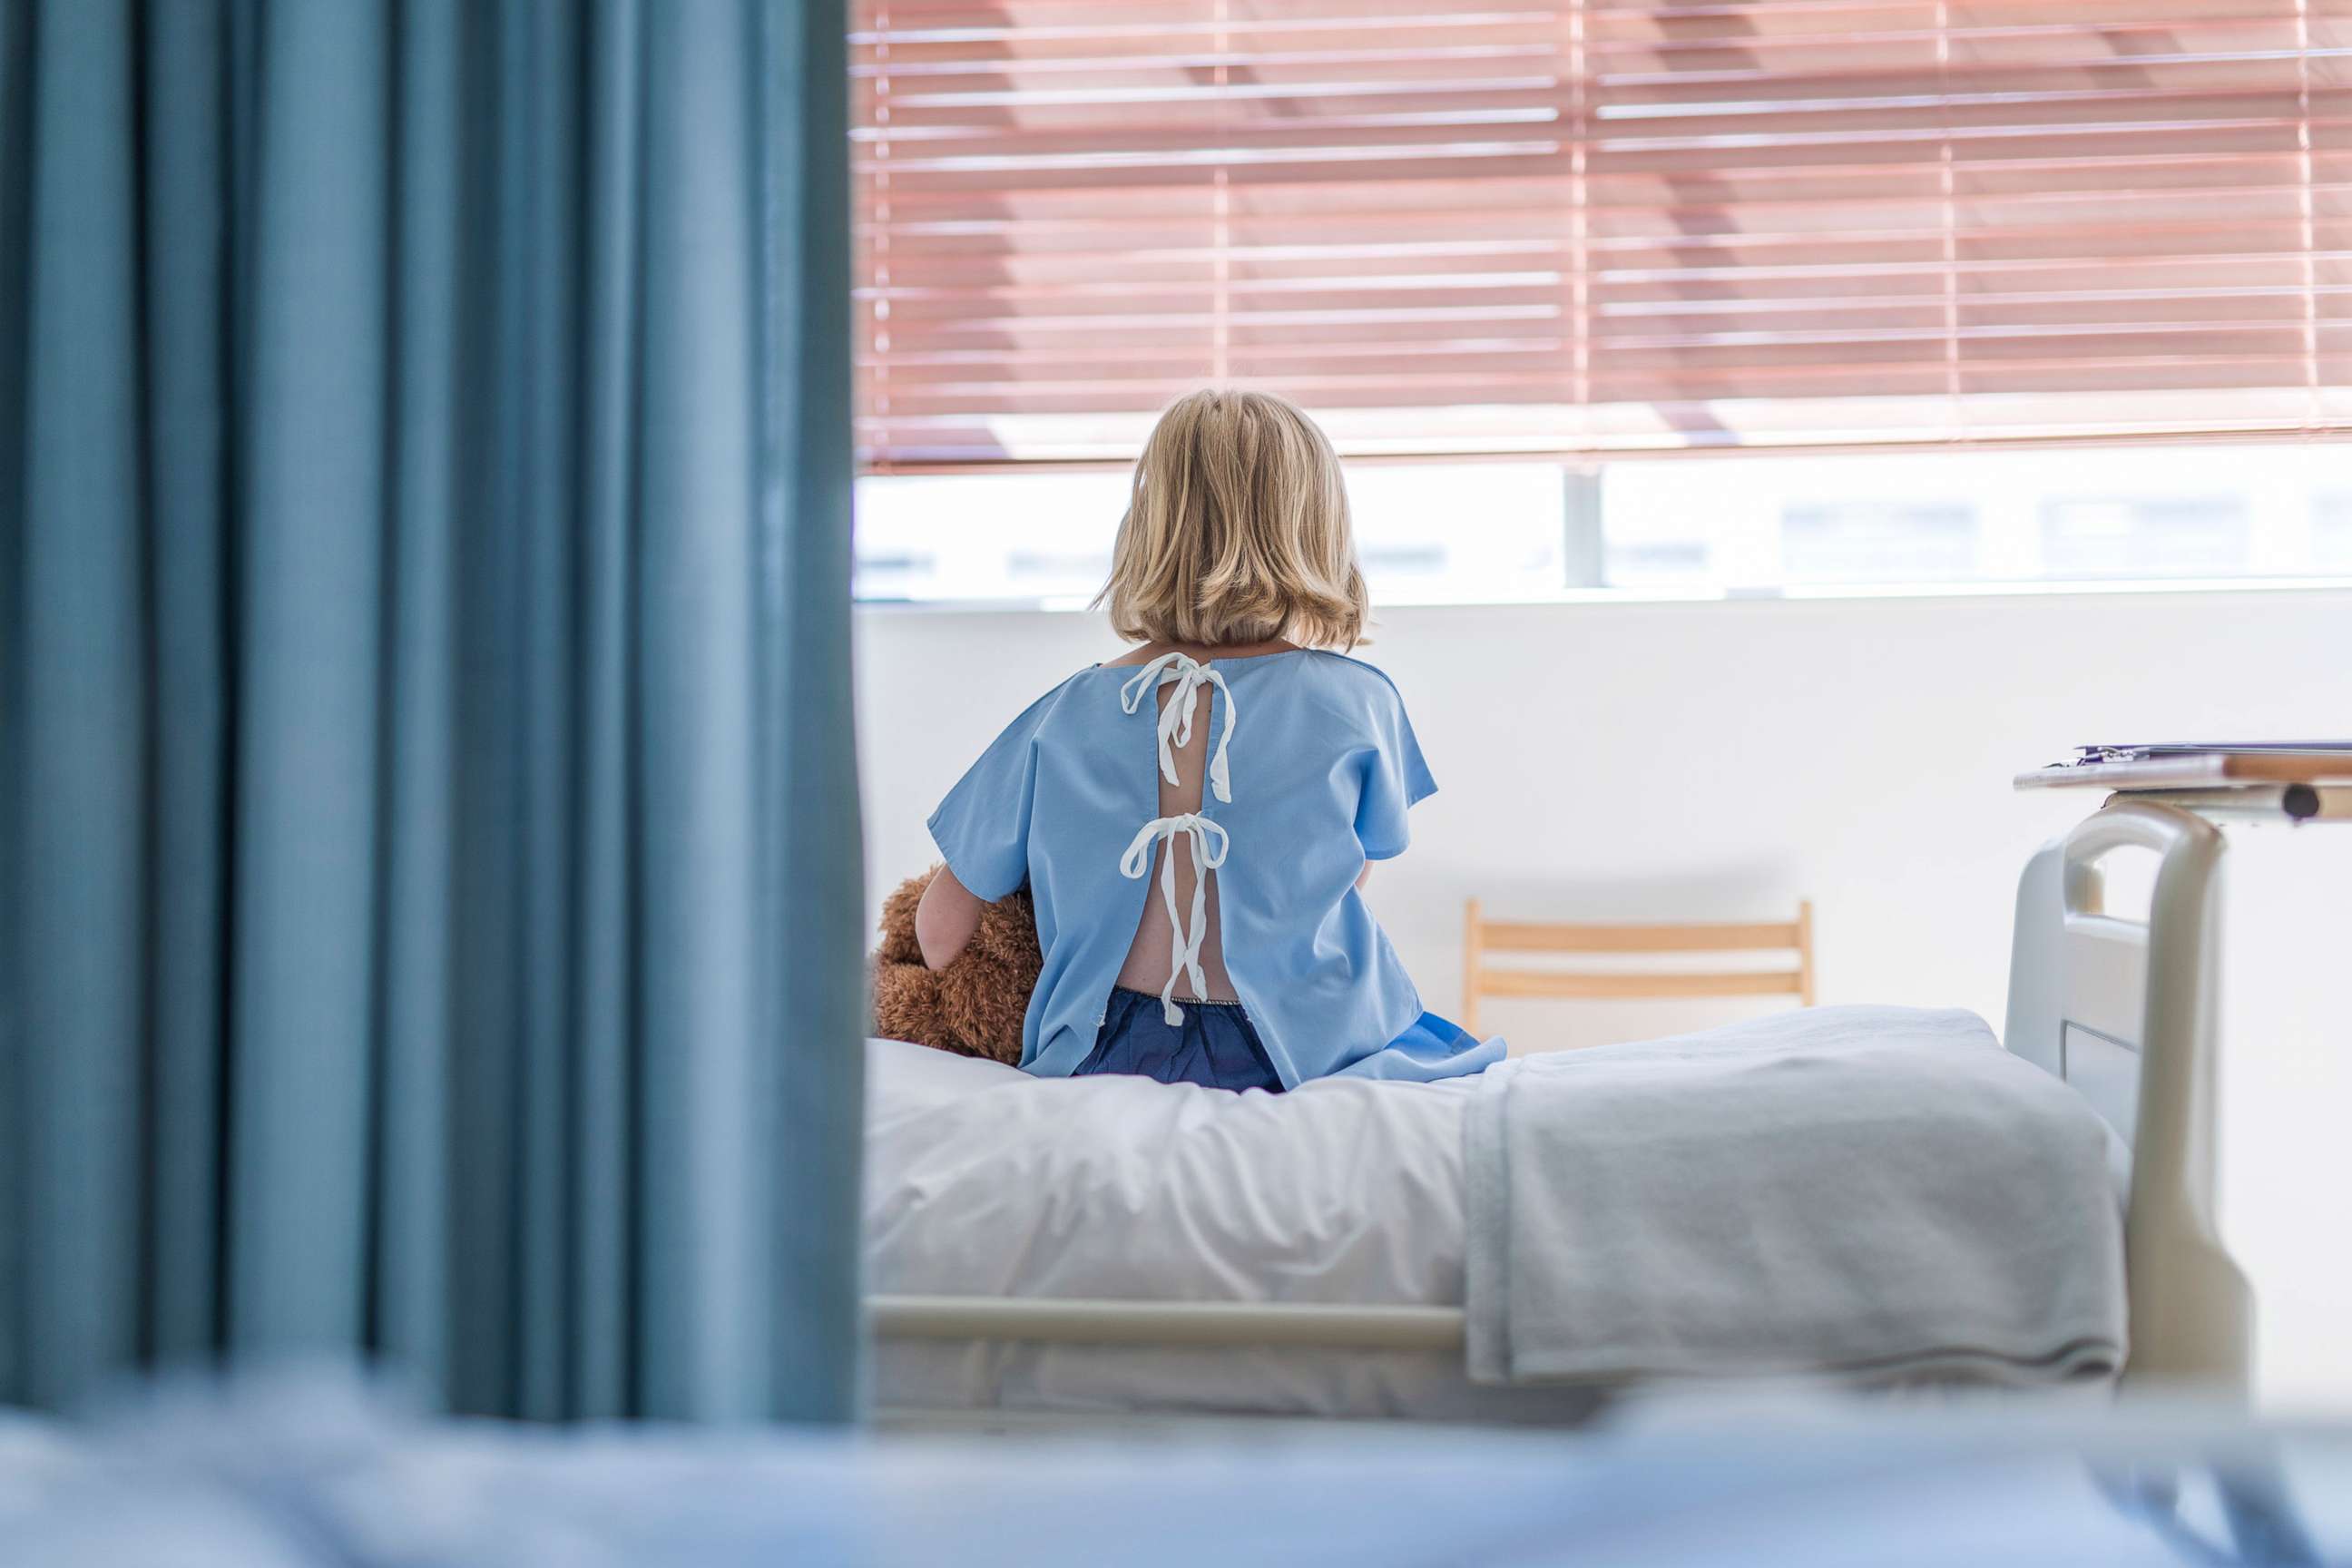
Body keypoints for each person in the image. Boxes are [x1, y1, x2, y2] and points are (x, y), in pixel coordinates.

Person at [916, 388, 1502, 1092]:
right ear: (1316, 531)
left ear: (1148, 528)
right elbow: (1342, 875)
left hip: (1105, 1052)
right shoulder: (1360, 701)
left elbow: (941, 934)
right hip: (1307, 1047)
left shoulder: (1062, 714)